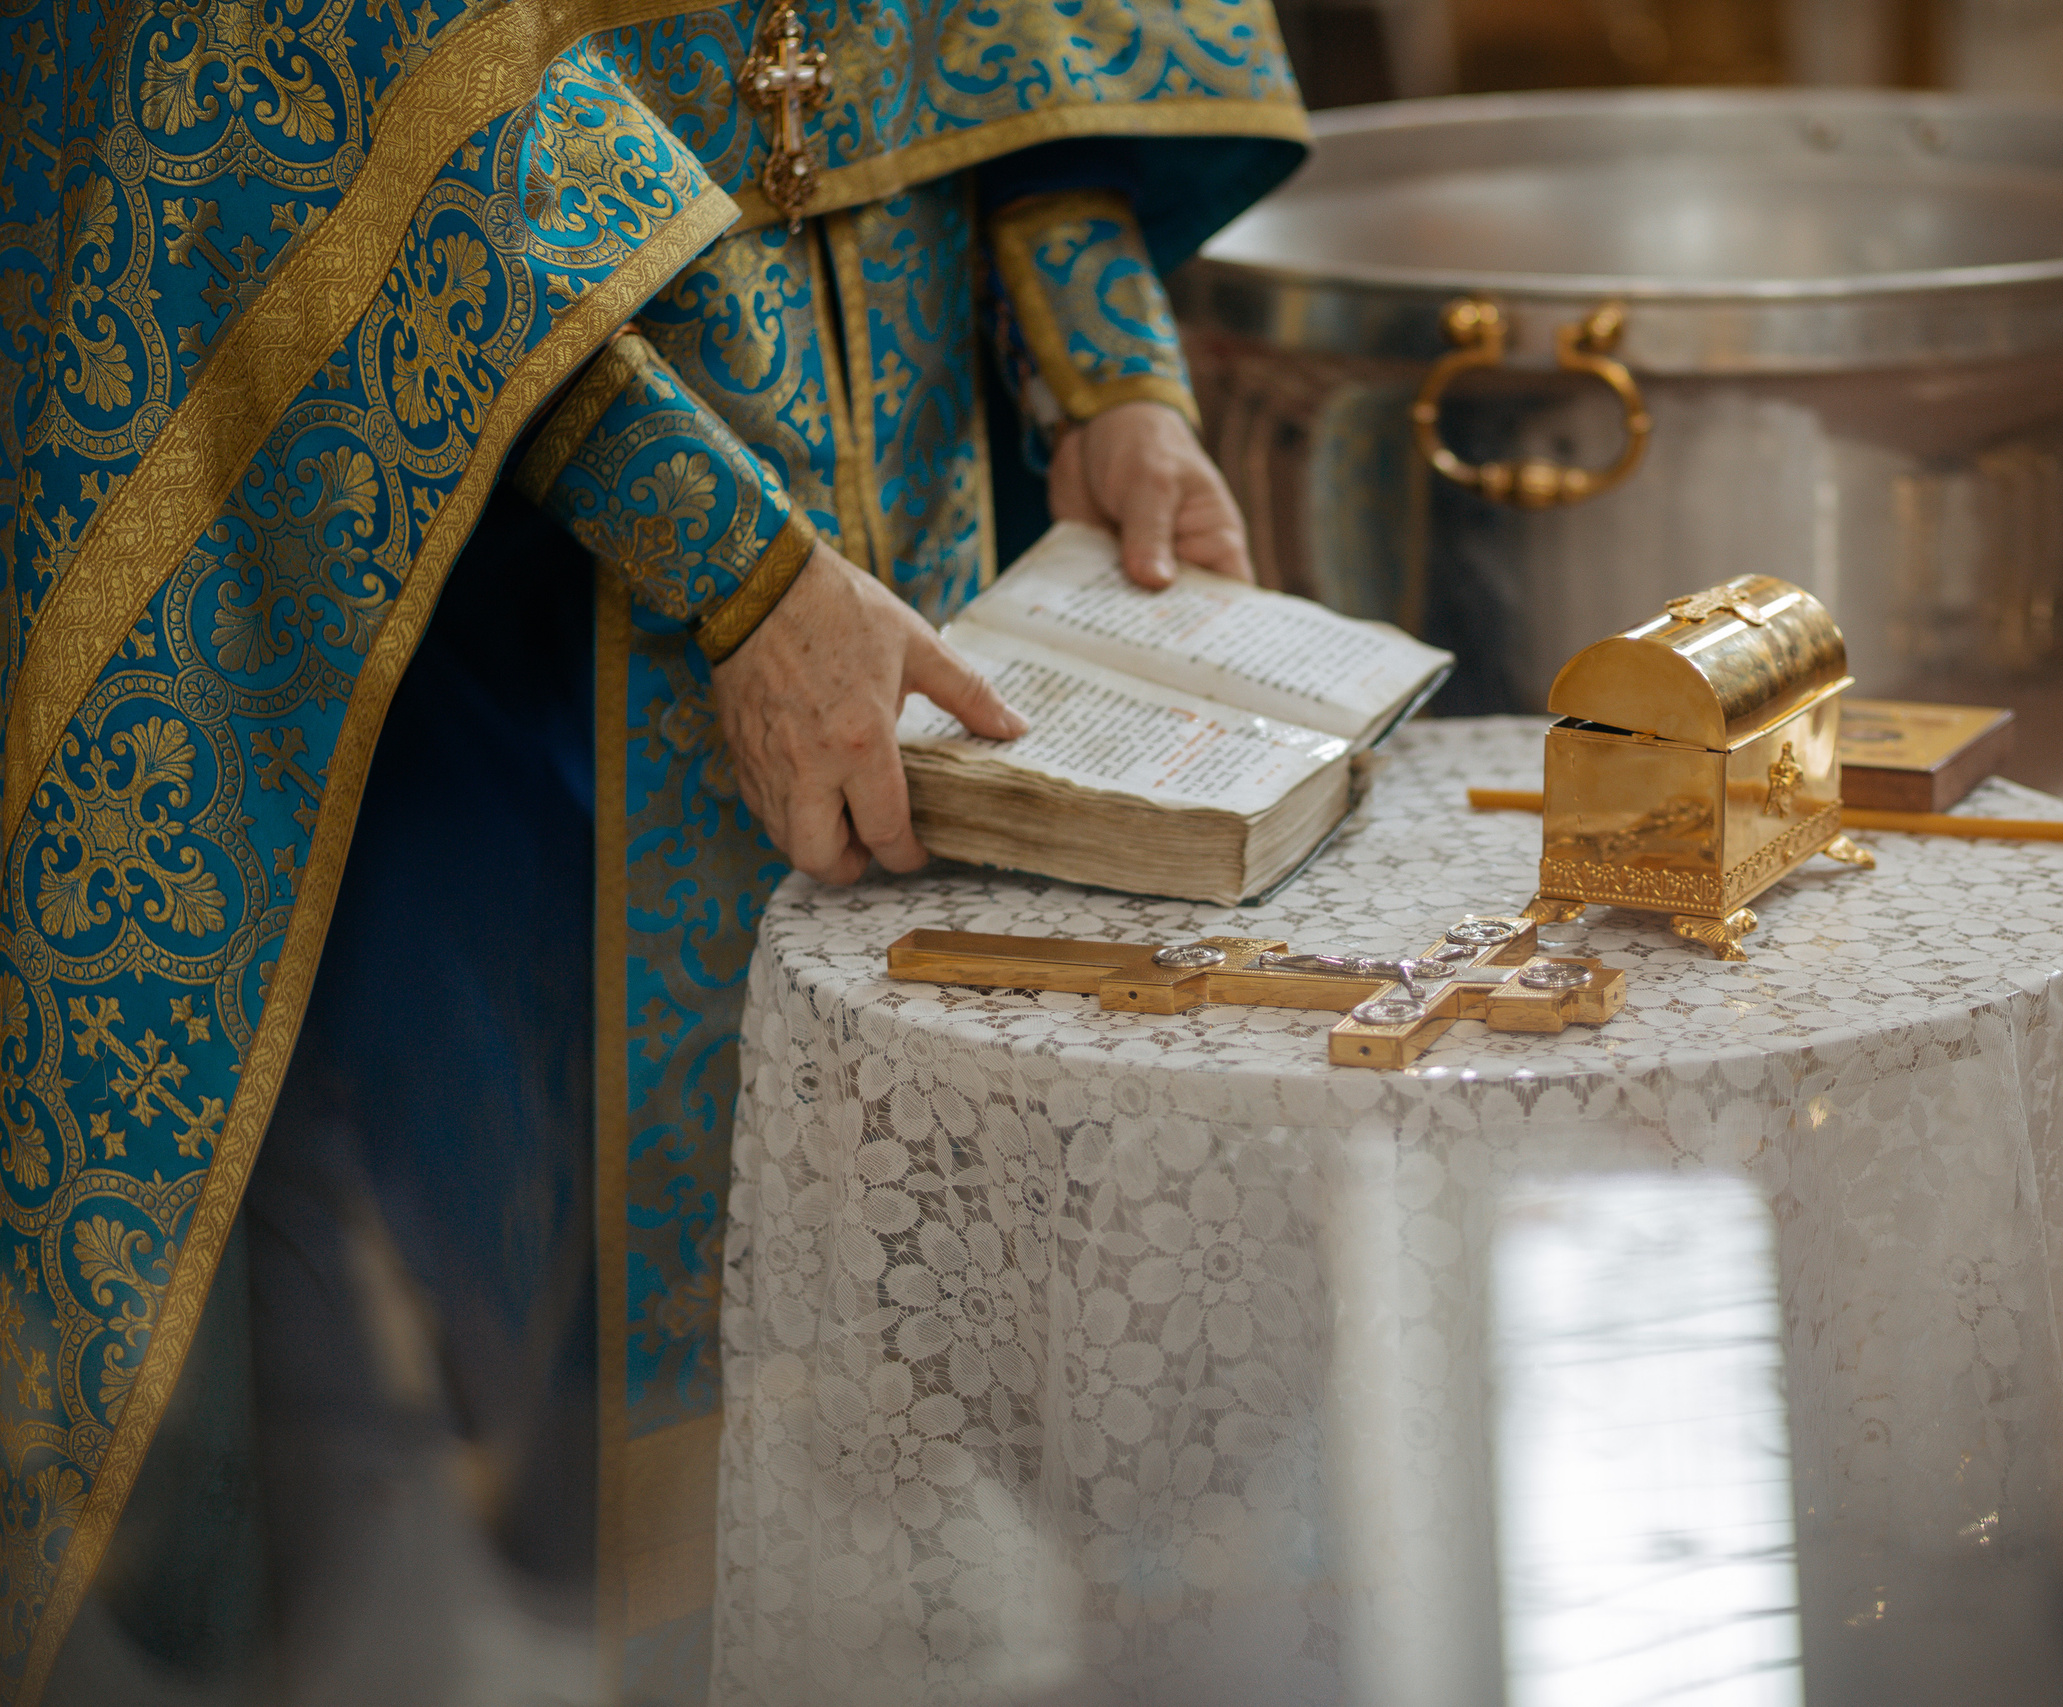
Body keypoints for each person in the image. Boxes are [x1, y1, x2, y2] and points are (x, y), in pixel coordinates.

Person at [0, 3, 1306, 1700]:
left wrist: (1109, 370)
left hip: (922, 464)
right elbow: (326, 95)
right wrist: (730, 559)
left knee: (947, 1403)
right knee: (537, 1471)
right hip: (483, 591)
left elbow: (1008, 41)